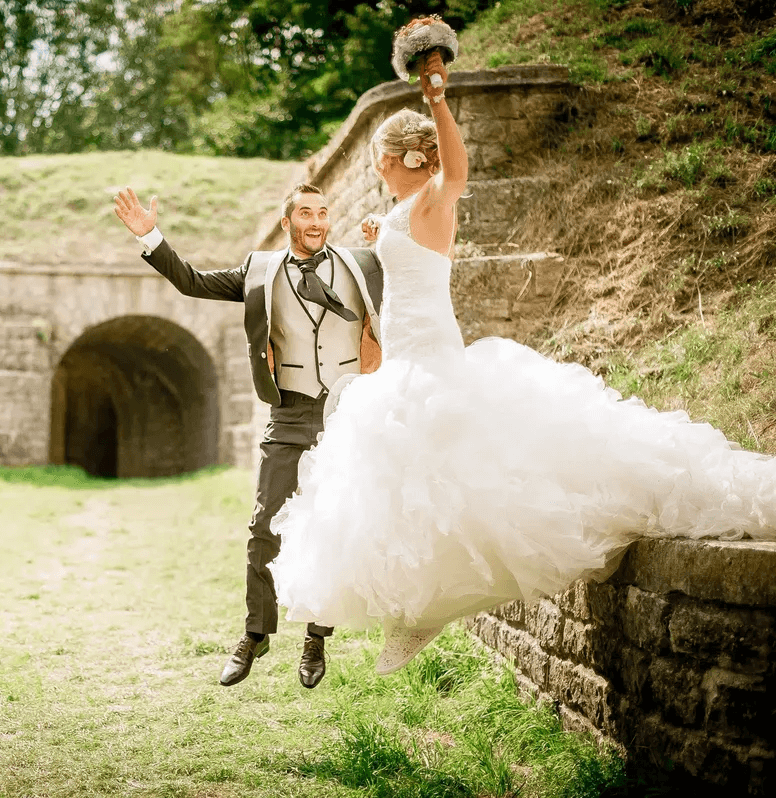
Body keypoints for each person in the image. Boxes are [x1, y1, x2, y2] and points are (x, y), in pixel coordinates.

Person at [268, 38, 776, 676]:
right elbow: (406, 248)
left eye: (379, 161)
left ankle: (418, 614)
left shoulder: (434, 195)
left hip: (431, 357)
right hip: (401, 359)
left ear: (400, 158)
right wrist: (380, 233)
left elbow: (456, 174)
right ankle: (410, 611)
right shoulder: (401, 211)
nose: (376, 170)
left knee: (457, 480)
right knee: (407, 488)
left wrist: (437, 98)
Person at [112, 181, 385, 688]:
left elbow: (416, 272)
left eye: (323, 212)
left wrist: (385, 233)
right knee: (264, 526)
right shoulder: (260, 271)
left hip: (348, 410)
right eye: (306, 213)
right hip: (290, 411)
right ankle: (255, 633)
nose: (317, 221)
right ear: (287, 222)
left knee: (331, 525)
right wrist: (151, 236)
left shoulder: (363, 264)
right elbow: (192, 282)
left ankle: (316, 637)